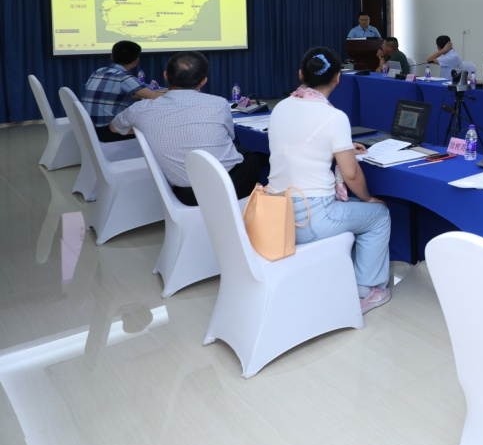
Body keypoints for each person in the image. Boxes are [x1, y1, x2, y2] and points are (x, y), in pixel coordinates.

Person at [268, 47, 393, 314]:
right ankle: (366, 290)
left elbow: (300, 144)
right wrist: (368, 199)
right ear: (338, 77)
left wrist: (343, 147)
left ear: (301, 74)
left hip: (276, 214)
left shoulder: (280, 107)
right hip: (311, 219)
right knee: (379, 215)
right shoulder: (334, 117)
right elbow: (351, 174)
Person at [109, 50, 267, 207]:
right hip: (229, 187)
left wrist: (145, 130)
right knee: (255, 156)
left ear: (165, 75)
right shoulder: (218, 103)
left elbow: (114, 127)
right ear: (203, 81)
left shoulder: (140, 109)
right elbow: (230, 136)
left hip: (185, 194)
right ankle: (265, 202)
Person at [82, 40, 166, 141]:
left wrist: (161, 91)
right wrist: (175, 91)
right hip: (108, 132)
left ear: (112, 56)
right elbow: (153, 97)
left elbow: (114, 97)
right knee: (156, 129)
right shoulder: (124, 78)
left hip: (89, 128)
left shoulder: (99, 71)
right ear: (136, 60)